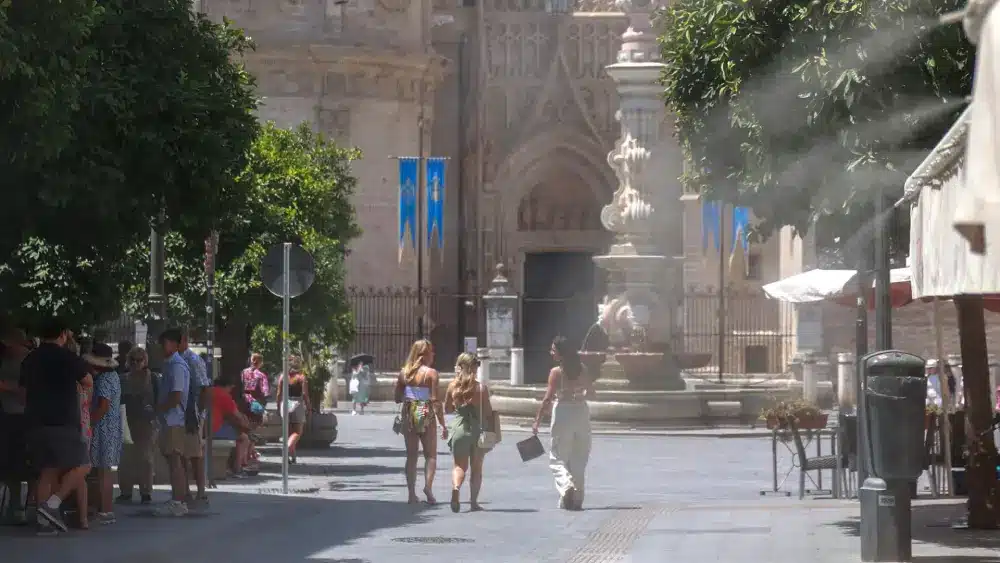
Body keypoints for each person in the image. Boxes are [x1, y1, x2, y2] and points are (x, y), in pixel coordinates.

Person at [18, 318, 93, 534]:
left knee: (47, 470)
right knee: (83, 465)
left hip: (35, 422)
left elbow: (23, 393)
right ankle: (52, 505)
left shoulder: (30, 359)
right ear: (63, 334)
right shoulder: (68, 357)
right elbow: (88, 381)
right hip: (63, 421)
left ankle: (45, 524)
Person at [532, 336, 596, 511]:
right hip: (581, 412)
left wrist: (537, 420)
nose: (551, 352)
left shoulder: (556, 372)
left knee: (558, 456)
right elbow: (592, 393)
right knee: (579, 457)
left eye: (553, 350)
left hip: (563, 413)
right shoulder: (582, 369)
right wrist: (580, 395)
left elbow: (547, 399)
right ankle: (576, 499)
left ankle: (566, 485)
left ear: (561, 354)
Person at [394, 339, 447, 505]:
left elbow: (397, 398)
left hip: (409, 410)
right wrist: (442, 424)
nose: (434, 355)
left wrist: (410, 395)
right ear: (424, 355)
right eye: (432, 352)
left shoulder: (404, 373)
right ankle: (428, 489)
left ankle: (411, 494)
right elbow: (435, 400)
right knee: (430, 455)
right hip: (424, 410)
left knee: (411, 456)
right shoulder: (431, 374)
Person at [444, 352, 492, 513]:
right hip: (477, 430)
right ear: (474, 368)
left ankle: (456, 487)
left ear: (460, 367)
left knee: (459, 466)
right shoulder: (481, 388)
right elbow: (488, 412)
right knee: (476, 468)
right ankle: (473, 503)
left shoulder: (452, 386)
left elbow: (447, 409)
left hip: (458, 429)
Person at [83, 343, 122, 525]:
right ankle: (104, 509)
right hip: (111, 428)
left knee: (103, 472)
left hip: (103, 429)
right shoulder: (113, 376)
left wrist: (89, 423)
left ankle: (106, 510)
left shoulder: (104, 379)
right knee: (103, 471)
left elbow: (103, 406)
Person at [155, 328, 191, 517]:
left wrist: (159, 408)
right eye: (163, 342)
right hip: (169, 419)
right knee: (172, 460)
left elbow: (176, 395)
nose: (164, 345)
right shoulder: (169, 364)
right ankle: (177, 498)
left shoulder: (177, 365)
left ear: (176, 344)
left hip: (173, 419)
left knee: (175, 460)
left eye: (168, 342)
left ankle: (178, 501)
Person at [117, 347, 158, 505]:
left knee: (145, 458)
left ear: (145, 361)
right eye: (132, 359)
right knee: (125, 458)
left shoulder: (153, 379)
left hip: (146, 422)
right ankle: (125, 491)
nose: (135, 363)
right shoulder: (122, 379)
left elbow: (159, 399)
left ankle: (145, 491)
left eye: (139, 359)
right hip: (126, 421)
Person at [0, 327, 32, 525]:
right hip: (8, 415)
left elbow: (28, 392)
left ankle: (25, 506)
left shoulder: (28, 362)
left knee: (23, 464)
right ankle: (14, 504)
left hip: (22, 418)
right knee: (10, 464)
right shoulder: (6, 359)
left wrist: (6, 387)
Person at [179, 330, 210, 508]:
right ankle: (185, 491)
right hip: (180, 414)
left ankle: (201, 492)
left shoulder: (193, 360)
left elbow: (204, 388)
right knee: (181, 454)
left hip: (193, 415)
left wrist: (199, 415)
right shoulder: (177, 359)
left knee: (195, 455)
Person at [209, 373, 253, 478]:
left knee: (233, 432)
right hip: (214, 429)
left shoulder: (209, 391)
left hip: (203, 427)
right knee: (244, 438)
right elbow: (237, 415)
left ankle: (230, 466)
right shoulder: (224, 395)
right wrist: (247, 426)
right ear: (228, 386)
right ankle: (237, 468)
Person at [276, 355, 310, 463]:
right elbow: (304, 394)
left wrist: (278, 406)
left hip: (285, 404)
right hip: (297, 403)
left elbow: (279, 394)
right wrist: (309, 406)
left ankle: (292, 457)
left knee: (288, 432)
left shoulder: (282, 376)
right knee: (297, 432)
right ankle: (287, 447)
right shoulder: (301, 377)